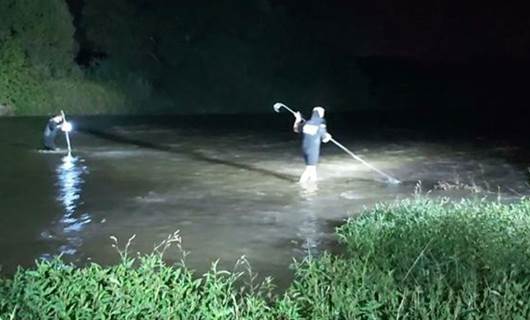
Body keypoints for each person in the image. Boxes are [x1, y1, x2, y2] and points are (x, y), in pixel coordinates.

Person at [293, 106, 332, 183]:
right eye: (322, 113)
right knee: (309, 169)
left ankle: (314, 185)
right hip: (313, 151)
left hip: (305, 149)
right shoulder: (320, 125)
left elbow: (296, 129)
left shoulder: (306, 123)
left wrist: (297, 119)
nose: (323, 114)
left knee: (312, 169)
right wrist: (328, 136)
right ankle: (300, 184)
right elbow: (325, 140)